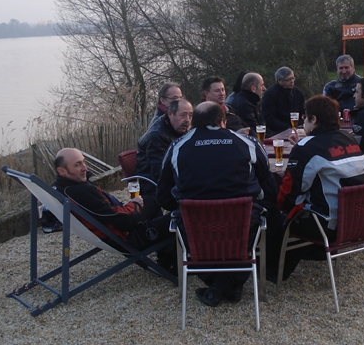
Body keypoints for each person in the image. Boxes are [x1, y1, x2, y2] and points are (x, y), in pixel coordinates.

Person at [157, 102, 277, 307]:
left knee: (185, 223)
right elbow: (269, 187)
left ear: (194, 122)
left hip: (196, 227)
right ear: (223, 121)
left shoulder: (177, 147)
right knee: (267, 215)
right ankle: (229, 284)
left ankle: (218, 285)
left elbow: (163, 196)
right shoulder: (248, 143)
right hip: (243, 224)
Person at [271, 95, 364, 280]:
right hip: (357, 220)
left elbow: (289, 194)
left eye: (305, 118)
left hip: (327, 225)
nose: (303, 123)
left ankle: (271, 270)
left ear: (313, 119)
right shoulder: (350, 139)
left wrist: (301, 150)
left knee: (273, 213)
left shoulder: (307, 147)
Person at [44, 148, 172, 252]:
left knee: (152, 199)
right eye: (77, 165)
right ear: (62, 171)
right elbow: (123, 221)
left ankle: (164, 250)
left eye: (83, 162)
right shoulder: (80, 192)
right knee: (177, 218)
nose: (85, 168)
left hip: (118, 228)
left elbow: (110, 215)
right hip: (127, 237)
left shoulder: (60, 188)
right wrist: (135, 204)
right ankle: (168, 258)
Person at [134, 99, 193, 196]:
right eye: (183, 115)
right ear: (170, 114)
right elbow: (160, 172)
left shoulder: (179, 129)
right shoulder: (157, 135)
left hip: (174, 181)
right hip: (154, 187)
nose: (187, 120)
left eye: (190, 115)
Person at [261, 67, 306, 137]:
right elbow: (268, 117)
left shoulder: (297, 92)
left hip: (296, 129)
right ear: (279, 81)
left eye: (293, 78)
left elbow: (303, 111)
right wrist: (287, 127)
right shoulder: (270, 94)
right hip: (276, 131)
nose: (292, 81)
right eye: (288, 79)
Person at [228, 72, 266, 136]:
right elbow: (255, 129)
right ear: (253, 88)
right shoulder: (244, 104)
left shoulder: (252, 101)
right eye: (261, 85)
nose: (264, 88)